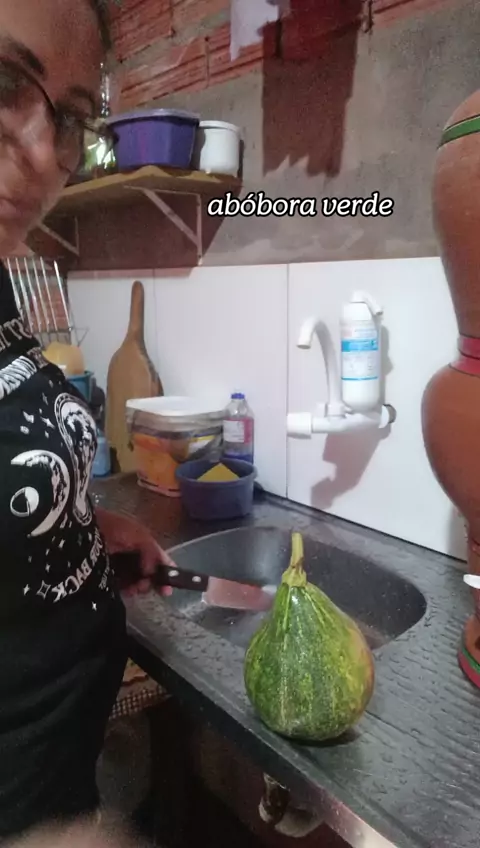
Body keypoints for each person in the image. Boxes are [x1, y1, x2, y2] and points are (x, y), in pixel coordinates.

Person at [0, 0, 173, 840]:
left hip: (61, 786)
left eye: (69, 119)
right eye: (4, 82)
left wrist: (76, 523)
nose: (42, 153)